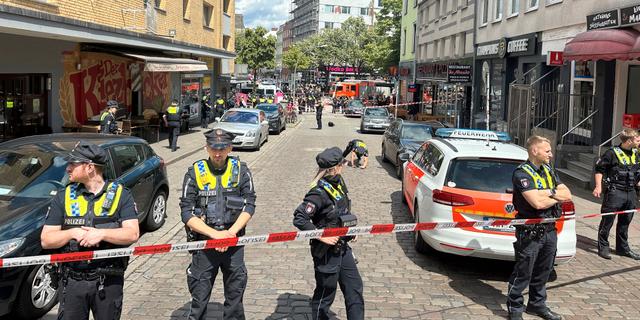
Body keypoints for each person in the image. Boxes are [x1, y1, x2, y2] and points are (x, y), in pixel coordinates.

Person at [40, 141, 140, 320]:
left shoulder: (120, 194)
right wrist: (72, 233)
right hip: (71, 281)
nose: (68, 168)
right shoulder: (63, 197)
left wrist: (101, 234)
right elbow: (46, 239)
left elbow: (132, 233)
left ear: (90, 167)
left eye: (73, 164)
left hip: (108, 280)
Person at [180, 128, 257, 320]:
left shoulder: (241, 171)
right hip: (205, 244)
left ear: (230, 148)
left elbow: (249, 204)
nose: (217, 153)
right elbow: (186, 212)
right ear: (206, 148)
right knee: (199, 298)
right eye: (213, 148)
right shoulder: (194, 173)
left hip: (233, 242)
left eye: (222, 148)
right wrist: (215, 235)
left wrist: (230, 234)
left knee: (235, 298)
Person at [293, 147, 364, 320]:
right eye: (343, 164)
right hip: (326, 253)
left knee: (354, 287)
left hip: (343, 247)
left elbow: (341, 212)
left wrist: (350, 231)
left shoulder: (339, 183)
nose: (344, 167)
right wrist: (320, 234)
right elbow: (300, 218)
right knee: (326, 294)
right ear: (336, 167)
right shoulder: (318, 193)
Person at [506, 136, 571, 320]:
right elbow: (536, 204)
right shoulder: (522, 173)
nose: (551, 154)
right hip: (530, 230)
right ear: (535, 151)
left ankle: (536, 305)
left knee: (544, 270)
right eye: (547, 151)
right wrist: (553, 193)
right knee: (523, 272)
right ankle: (515, 309)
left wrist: (547, 193)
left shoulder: (549, 170)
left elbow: (568, 194)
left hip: (550, 228)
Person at [593, 128, 640, 260]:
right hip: (615, 192)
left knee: (625, 222)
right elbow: (599, 169)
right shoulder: (611, 153)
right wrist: (598, 186)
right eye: (637, 139)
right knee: (607, 221)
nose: (639, 141)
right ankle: (603, 247)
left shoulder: (636, 153)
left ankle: (622, 249)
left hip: (630, 192)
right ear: (629, 140)